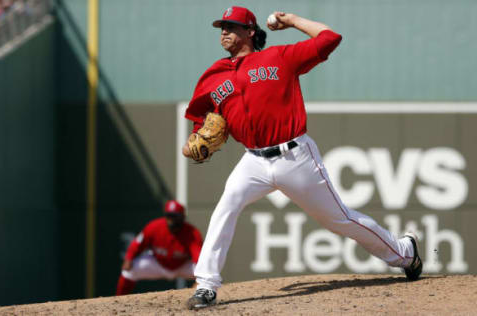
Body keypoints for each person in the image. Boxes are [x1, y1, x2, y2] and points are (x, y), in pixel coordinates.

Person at [182, 6, 423, 309]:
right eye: (222, 27)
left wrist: (293, 21)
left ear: (251, 32)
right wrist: (193, 140)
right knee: (226, 206)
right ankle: (206, 285)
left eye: (231, 26)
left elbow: (329, 38)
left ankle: (405, 252)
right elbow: (198, 115)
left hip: (294, 156)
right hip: (253, 161)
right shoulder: (214, 75)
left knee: (340, 219)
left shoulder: (280, 57)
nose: (224, 32)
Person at [115, 200, 203, 295]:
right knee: (129, 270)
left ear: (183, 217)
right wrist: (129, 258)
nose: (171, 219)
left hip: (182, 265)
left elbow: (198, 258)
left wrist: (201, 279)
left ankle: (205, 297)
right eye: (169, 216)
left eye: (175, 216)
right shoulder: (154, 227)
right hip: (158, 263)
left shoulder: (192, 233)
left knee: (207, 272)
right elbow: (137, 244)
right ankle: (119, 299)